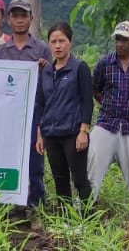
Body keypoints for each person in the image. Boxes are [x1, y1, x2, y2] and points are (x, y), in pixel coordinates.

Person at [89, 20, 129, 199]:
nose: (119, 44)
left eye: (124, 40)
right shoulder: (104, 63)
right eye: (117, 39)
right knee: (92, 166)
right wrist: (108, 105)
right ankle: (85, 207)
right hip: (106, 123)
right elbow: (95, 90)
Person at [0, 0, 47, 211]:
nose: (20, 20)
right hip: (7, 116)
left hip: (34, 113)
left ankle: (36, 207)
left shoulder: (42, 50)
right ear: (9, 20)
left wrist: (43, 68)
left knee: (35, 163)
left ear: (31, 19)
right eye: (15, 16)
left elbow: (48, 84)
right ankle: (8, 205)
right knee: (7, 159)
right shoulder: (0, 51)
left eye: (24, 15)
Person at [34, 21, 93, 207]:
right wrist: (40, 134)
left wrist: (83, 131)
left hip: (73, 134)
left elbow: (87, 101)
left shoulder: (79, 68)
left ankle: (88, 218)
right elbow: (41, 104)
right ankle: (65, 218)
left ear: (70, 42)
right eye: (53, 42)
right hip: (51, 135)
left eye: (62, 41)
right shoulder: (46, 71)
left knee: (80, 180)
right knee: (60, 182)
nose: (57, 46)